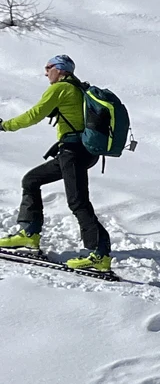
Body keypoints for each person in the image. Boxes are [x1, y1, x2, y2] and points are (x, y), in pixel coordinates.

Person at [0, 54, 112, 272]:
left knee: (78, 202)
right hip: (76, 152)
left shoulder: (61, 88)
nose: (45, 72)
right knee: (32, 180)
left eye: (48, 67)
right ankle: (29, 234)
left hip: (73, 152)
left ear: (60, 69)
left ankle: (99, 253)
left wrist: (5, 126)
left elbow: (35, 114)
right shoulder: (78, 89)